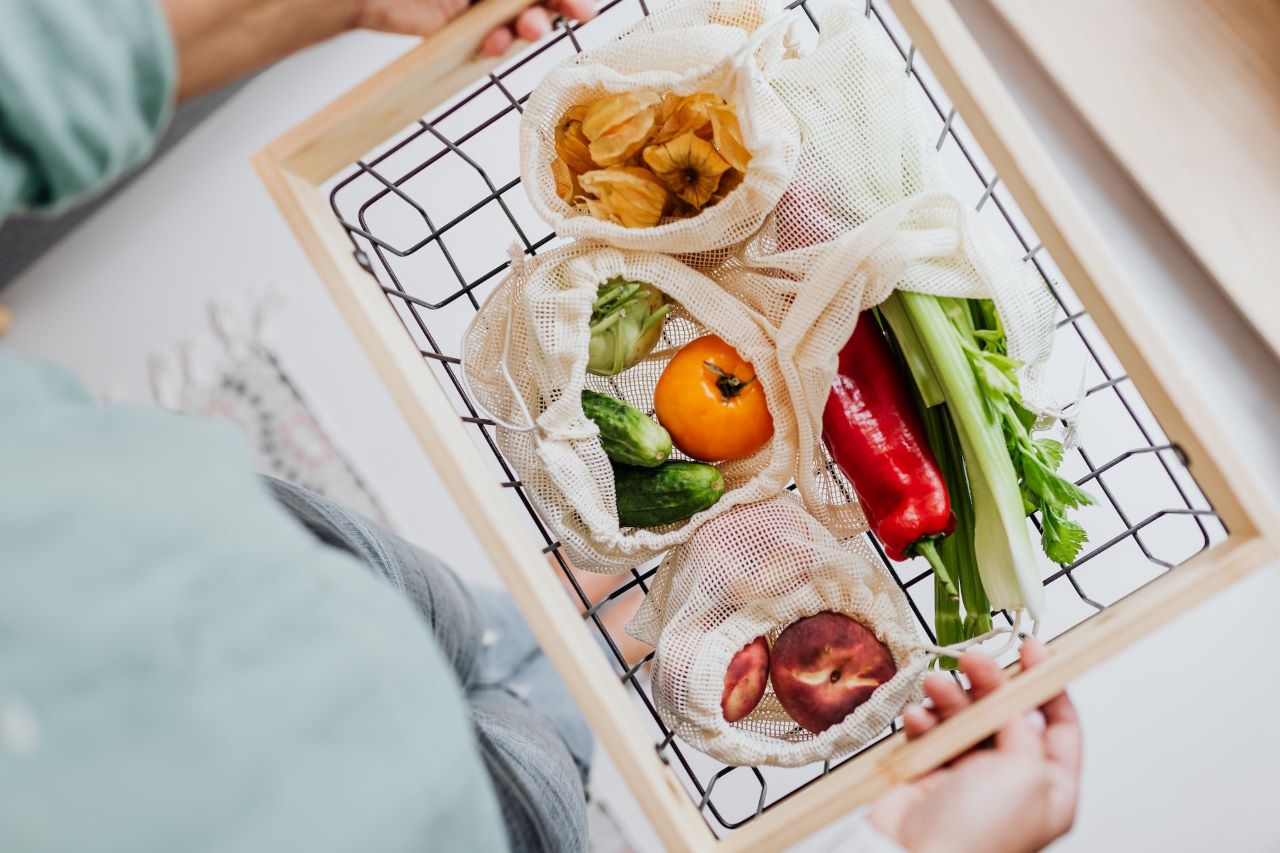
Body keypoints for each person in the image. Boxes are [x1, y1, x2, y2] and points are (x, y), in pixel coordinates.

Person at [0, 1, 1081, 850]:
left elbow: (39, 65)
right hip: (478, 817)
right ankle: (570, 646)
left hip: (308, 575)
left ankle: (546, 628)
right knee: (546, 723)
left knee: (461, 620)